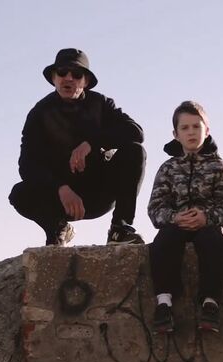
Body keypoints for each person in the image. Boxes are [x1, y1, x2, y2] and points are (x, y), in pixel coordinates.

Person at [9, 48, 146, 246]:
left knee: (135, 151)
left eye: (76, 74)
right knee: (20, 193)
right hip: (62, 198)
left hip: (99, 190)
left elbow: (136, 132)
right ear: (54, 78)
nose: (69, 78)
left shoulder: (101, 104)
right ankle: (57, 228)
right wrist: (60, 188)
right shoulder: (39, 113)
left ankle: (120, 230)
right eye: (62, 72)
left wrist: (91, 143)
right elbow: (27, 165)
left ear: (86, 81)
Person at [148, 101, 223, 333]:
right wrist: (175, 218)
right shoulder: (168, 168)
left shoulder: (219, 167)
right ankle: (164, 304)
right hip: (178, 225)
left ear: (207, 131)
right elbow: (155, 209)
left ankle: (210, 303)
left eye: (197, 126)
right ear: (176, 134)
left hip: (210, 226)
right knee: (164, 240)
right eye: (185, 128)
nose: (191, 132)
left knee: (214, 241)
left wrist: (206, 217)